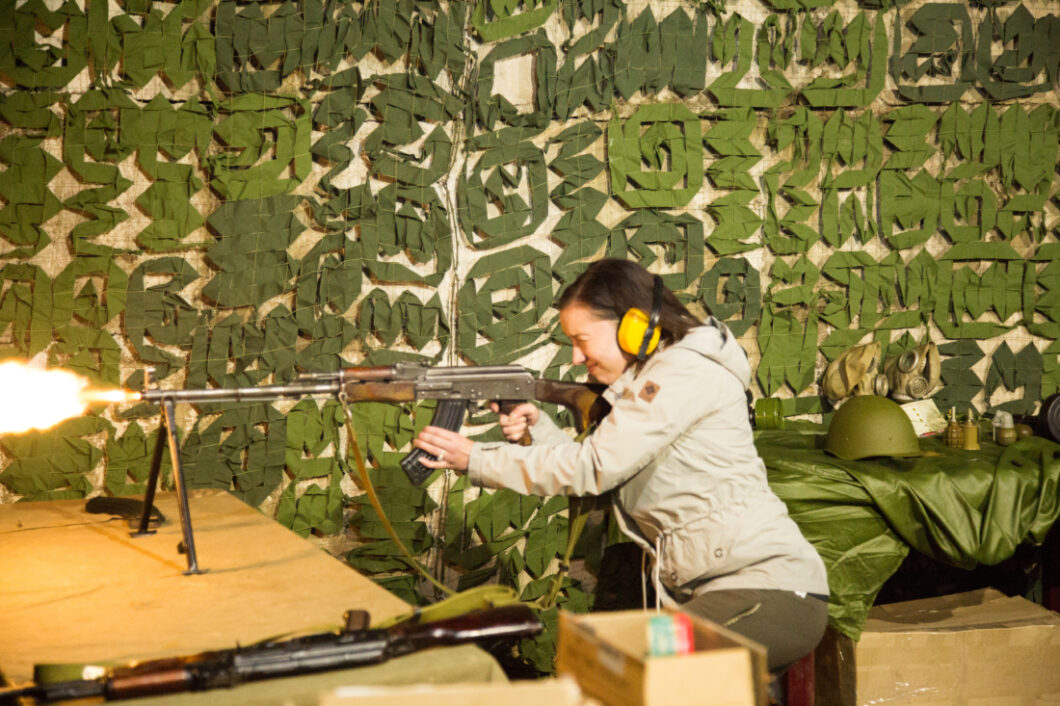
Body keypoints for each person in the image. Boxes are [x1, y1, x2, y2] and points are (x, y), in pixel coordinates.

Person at [414, 258, 829, 674]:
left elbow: (595, 467)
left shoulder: (683, 373)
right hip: (725, 589)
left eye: (582, 339)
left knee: (629, 667)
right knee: (619, 667)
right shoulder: (657, 379)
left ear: (634, 326)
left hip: (768, 590)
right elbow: (604, 472)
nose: (576, 357)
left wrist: (477, 457)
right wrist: (538, 431)